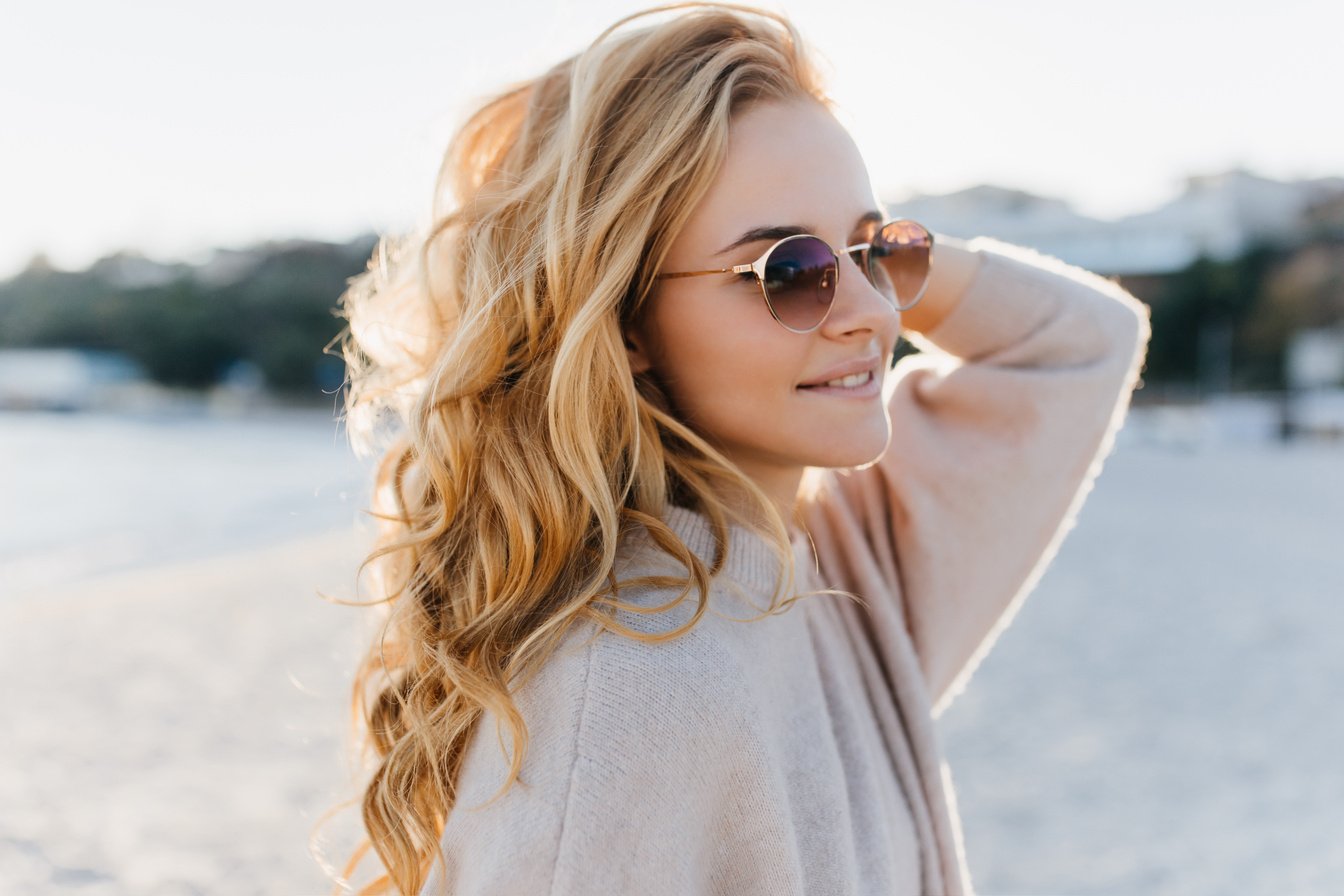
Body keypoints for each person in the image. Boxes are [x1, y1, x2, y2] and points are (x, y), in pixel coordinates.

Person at [332, 3, 1151, 894]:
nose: (878, 313)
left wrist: (853, 244)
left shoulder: (840, 572)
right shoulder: (631, 690)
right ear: (624, 320)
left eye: (878, 254)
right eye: (790, 273)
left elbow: (1083, 343)